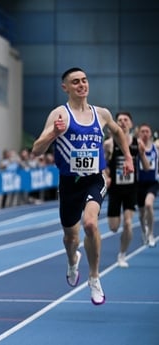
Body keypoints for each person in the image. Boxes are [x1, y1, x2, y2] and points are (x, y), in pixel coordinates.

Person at [32, 67, 133, 306]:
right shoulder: (60, 114)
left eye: (84, 80)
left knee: (90, 223)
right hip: (69, 183)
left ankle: (94, 277)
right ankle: (71, 260)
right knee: (70, 237)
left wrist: (128, 157)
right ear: (65, 87)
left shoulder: (101, 114)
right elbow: (36, 149)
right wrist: (53, 134)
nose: (81, 85)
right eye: (75, 82)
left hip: (94, 179)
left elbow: (118, 132)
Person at [103, 112, 141, 268]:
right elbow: (102, 164)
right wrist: (107, 176)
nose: (123, 122)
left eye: (126, 120)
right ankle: (117, 230)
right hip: (115, 190)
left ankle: (122, 255)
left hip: (131, 189)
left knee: (128, 223)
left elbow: (144, 164)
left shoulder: (137, 143)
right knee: (113, 227)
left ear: (131, 124)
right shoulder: (109, 144)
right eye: (119, 120)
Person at [136, 123, 158, 248]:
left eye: (147, 131)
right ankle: (144, 231)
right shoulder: (136, 147)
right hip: (139, 184)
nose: (145, 133)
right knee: (141, 213)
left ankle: (151, 233)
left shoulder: (156, 148)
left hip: (152, 183)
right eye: (142, 131)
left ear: (150, 133)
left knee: (149, 204)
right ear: (139, 133)